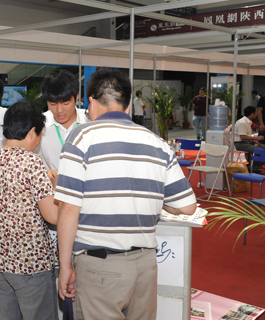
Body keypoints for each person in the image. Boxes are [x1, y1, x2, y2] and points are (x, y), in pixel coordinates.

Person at [55, 68, 197, 320]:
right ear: (129, 105)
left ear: (91, 102)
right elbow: (187, 207)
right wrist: (159, 201)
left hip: (99, 267)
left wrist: (65, 265)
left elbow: (68, 209)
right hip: (145, 266)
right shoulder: (157, 143)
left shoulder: (81, 138)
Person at [0, 101, 59, 320]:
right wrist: (56, 187)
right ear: (31, 132)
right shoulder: (34, 163)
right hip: (31, 263)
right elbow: (53, 216)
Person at [37, 68, 87, 172]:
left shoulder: (90, 122)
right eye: (53, 104)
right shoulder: (39, 124)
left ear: (77, 97)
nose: (59, 110)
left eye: (66, 104)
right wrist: (44, 172)